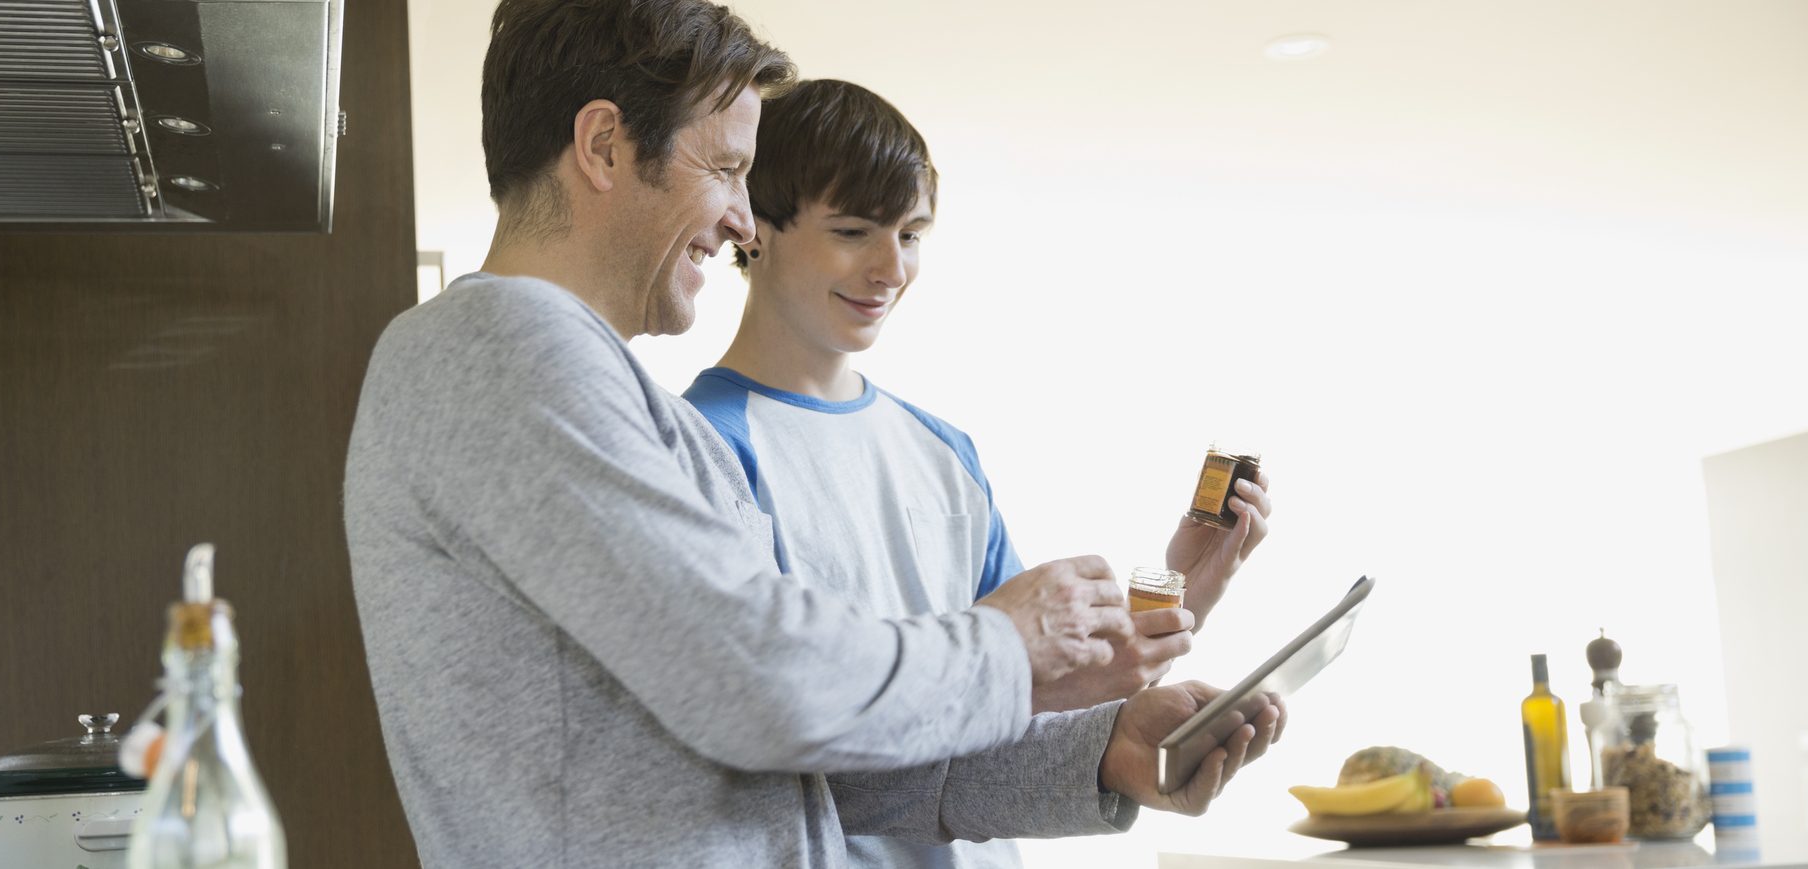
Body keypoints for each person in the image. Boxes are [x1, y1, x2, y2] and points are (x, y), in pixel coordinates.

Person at [343, 2, 1282, 866]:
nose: (741, 219)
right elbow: (762, 681)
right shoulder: (502, 344)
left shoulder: (634, 408)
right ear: (603, 146)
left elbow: (808, 765)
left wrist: (1104, 752)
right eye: (724, 169)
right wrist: (1005, 644)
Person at [682, 79, 1277, 869]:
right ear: (752, 228)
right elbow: (767, 738)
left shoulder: (942, 449)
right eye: (855, 230)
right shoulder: (703, 448)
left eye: (912, 234)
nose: (890, 268)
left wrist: (1175, 591)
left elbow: (1025, 695)